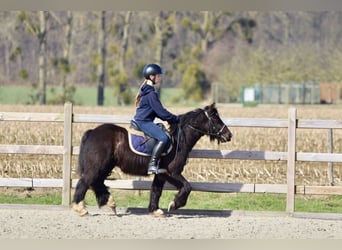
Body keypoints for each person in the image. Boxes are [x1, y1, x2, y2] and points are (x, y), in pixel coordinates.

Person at [133, 63, 179, 175]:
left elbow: (157, 112)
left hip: (144, 120)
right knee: (164, 138)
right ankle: (152, 165)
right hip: (143, 122)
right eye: (158, 75)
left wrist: (171, 117)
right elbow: (161, 112)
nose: (160, 77)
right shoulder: (151, 94)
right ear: (151, 76)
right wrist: (176, 118)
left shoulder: (147, 91)